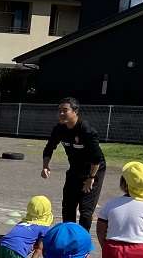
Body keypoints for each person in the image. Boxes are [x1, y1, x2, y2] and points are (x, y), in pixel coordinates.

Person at [42, 97, 106, 231]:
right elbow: (49, 148)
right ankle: (69, 236)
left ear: (75, 111)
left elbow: (97, 158)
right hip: (75, 169)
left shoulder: (86, 130)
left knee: (85, 210)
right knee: (68, 206)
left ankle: (82, 239)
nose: (61, 113)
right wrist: (45, 166)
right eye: (59, 110)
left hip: (94, 169)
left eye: (65, 110)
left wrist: (91, 178)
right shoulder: (59, 129)